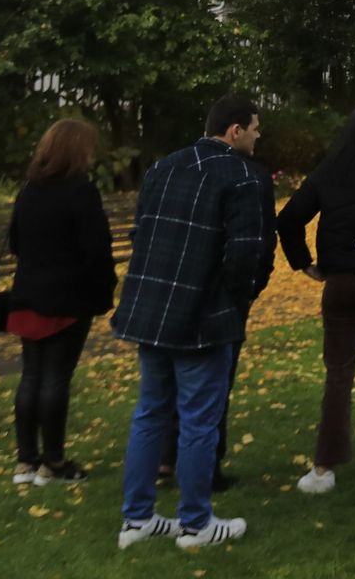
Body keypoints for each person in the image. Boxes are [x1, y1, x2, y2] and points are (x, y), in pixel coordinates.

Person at [111, 94, 275, 553]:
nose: (259, 136)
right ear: (234, 130)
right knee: (198, 419)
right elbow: (248, 252)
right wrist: (237, 299)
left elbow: (141, 232)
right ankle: (195, 523)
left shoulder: (164, 167)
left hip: (151, 309)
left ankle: (137, 516)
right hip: (203, 315)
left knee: (150, 412)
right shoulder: (245, 176)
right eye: (256, 127)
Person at [278, 100, 355, 495]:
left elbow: (289, 218)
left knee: (338, 371)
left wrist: (305, 264)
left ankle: (324, 467)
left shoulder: (329, 171)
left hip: (340, 281)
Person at [7, 117, 117, 485]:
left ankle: (26, 459)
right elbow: (96, 249)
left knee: (32, 375)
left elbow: (14, 242)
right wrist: (103, 291)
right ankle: (52, 462)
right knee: (56, 377)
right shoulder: (80, 192)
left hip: (28, 294)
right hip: (66, 299)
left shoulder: (30, 190)